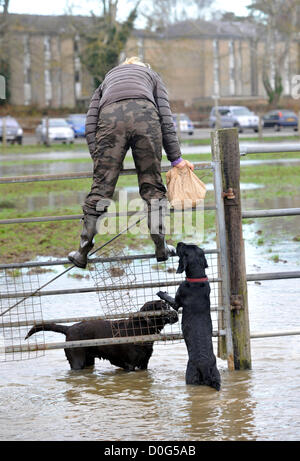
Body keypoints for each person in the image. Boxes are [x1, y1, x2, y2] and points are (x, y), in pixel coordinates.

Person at [68, 56, 194, 269]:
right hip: (146, 116)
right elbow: (165, 117)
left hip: (110, 118)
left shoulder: (108, 79)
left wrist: (101, 160)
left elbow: (90, 122)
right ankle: (161, 246)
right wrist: (176, 159)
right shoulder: (152, 76)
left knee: (100, 190)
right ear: (143, 68)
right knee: (152, 187)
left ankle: (82, 252)